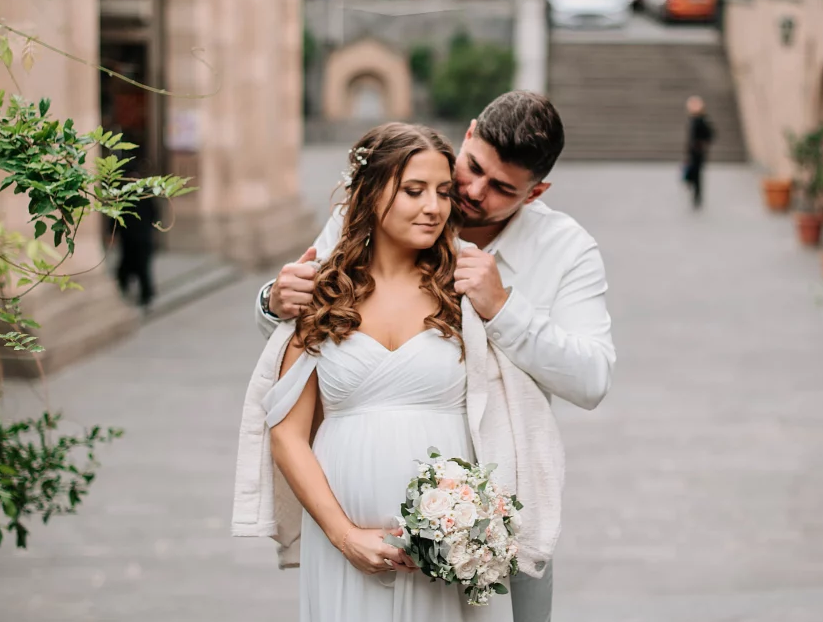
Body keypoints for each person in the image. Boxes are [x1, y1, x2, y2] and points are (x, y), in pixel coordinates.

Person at [256, 91, 616, 622]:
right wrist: (271, 298)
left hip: (487, 513)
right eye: (471, 169)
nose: (470, 192)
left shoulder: (567, 249)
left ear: (536, 192)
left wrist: (503, 310)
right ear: (468, 135)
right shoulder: (390, 203)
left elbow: (591, 379)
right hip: (348, 526)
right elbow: (310, 322)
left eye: (502, 189)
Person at [266, 123, 512, 622]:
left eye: (444, 192)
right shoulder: (325, 292)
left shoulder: (463, 290)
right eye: (414, 190)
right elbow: (287, 434)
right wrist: (344, 535)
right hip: (342, 546)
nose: (434, 207)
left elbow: (510, 408)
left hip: (445, 547)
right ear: (371, 193)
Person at [116, 166, 158, 310]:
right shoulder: (143, 194)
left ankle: (144, 294)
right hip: (137, 238)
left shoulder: (130, 194)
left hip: (133, 238)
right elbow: (155, 215)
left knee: (138, 268)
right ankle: (143, 294)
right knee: (136, 267)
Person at [684, 95, 714, 209]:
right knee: (693, 174)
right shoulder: (693, 119)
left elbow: (710, 135)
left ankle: (697, 197)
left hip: (698, 152)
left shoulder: (702, 120)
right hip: (692, 152)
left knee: (697, 175)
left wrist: (700, 143)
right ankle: (696, 196)